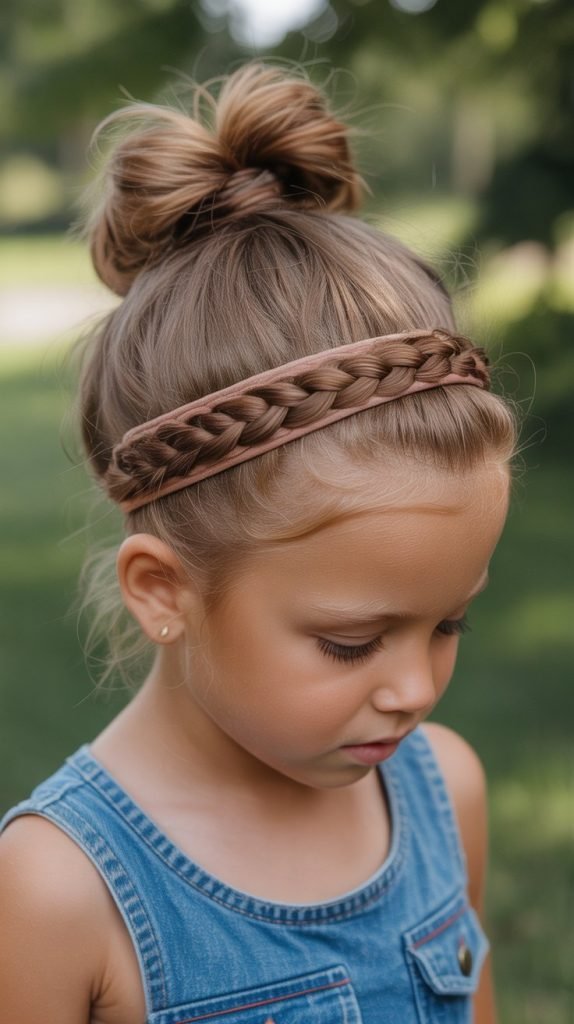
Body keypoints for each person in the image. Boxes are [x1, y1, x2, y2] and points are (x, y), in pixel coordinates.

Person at [0, 62, 516, 1024]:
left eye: (452, 624)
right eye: (351, 643)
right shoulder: (59, 894)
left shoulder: (447, 794)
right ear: (164, 589)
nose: (416, 688)